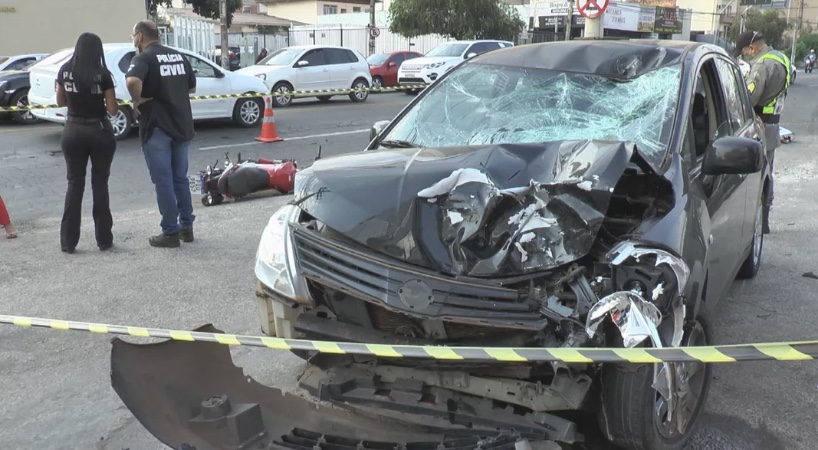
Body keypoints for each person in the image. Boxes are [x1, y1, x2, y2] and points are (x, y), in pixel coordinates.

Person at [125, 20, 197, 248]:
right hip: (181, 124)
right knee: (180, 179)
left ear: (139, 37)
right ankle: (187, 227)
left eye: (133, 36)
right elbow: (191, 87)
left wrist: (139, 99)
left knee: (163, 180)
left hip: (158, 126)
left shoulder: (143, 58)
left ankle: (170, 231)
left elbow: (132, 80)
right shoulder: (178, 56)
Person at [55, 32, 119, 253]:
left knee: (74, 184)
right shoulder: (102, 74)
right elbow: (112, 110)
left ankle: (68, 241)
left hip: (72, 131)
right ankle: (103, 239)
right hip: (99, 131)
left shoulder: (65, 70)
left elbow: (60, 100)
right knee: (100, 184)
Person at [734, 30, 791, 234]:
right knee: (768, 172)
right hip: (773, 125)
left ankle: (756, 222)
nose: (746, 56)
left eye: (744, 52)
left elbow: (749, 99)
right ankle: (765, 219)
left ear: (753, 47)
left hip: (760, 126)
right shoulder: (781, 57)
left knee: (756, 175)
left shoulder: (762, 65)